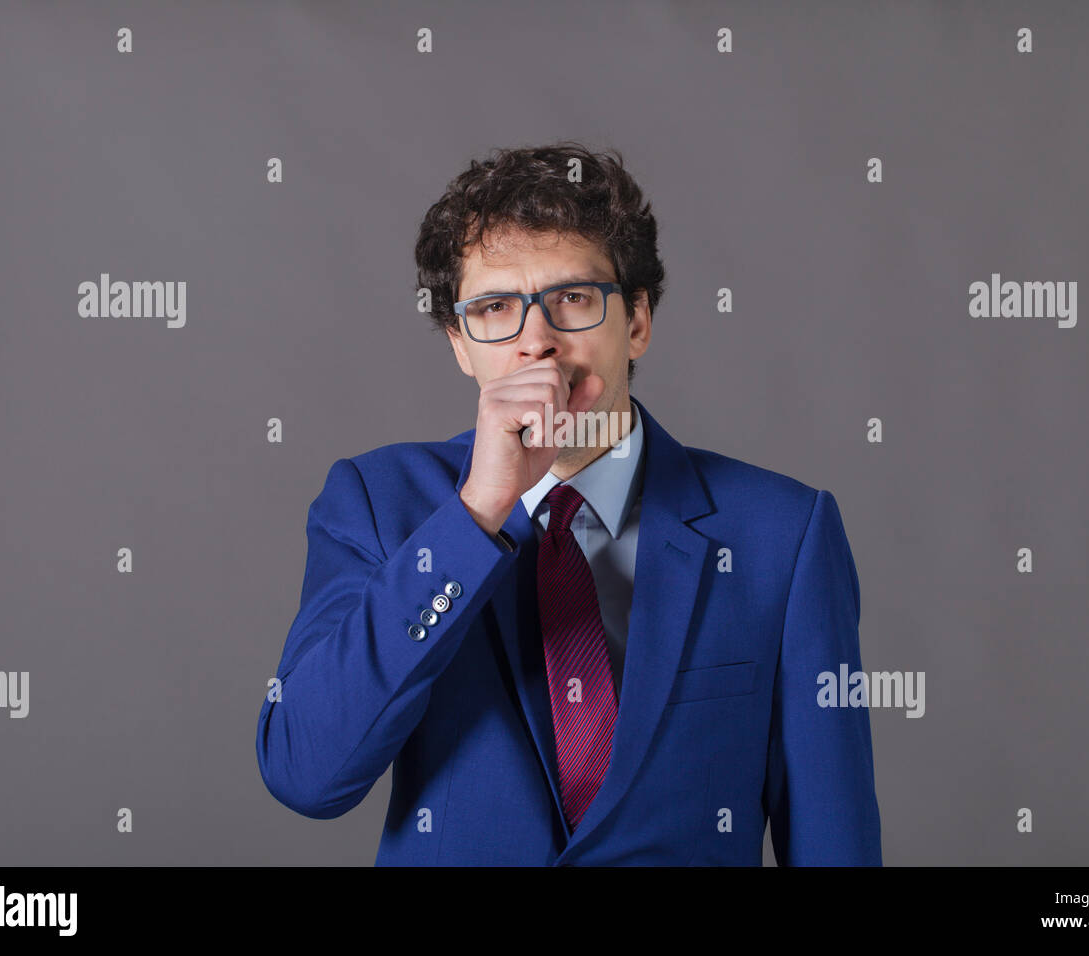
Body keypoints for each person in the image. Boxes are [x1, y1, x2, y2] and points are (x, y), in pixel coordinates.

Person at [256, 142, 882, 866]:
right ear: (460, 343)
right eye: (495, 309)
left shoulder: (782, 534)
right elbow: (305, 773)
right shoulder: (376, 503)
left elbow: (834, 839)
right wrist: (479, 511)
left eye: (573, 300)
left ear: (638, 320)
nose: (537, 343)